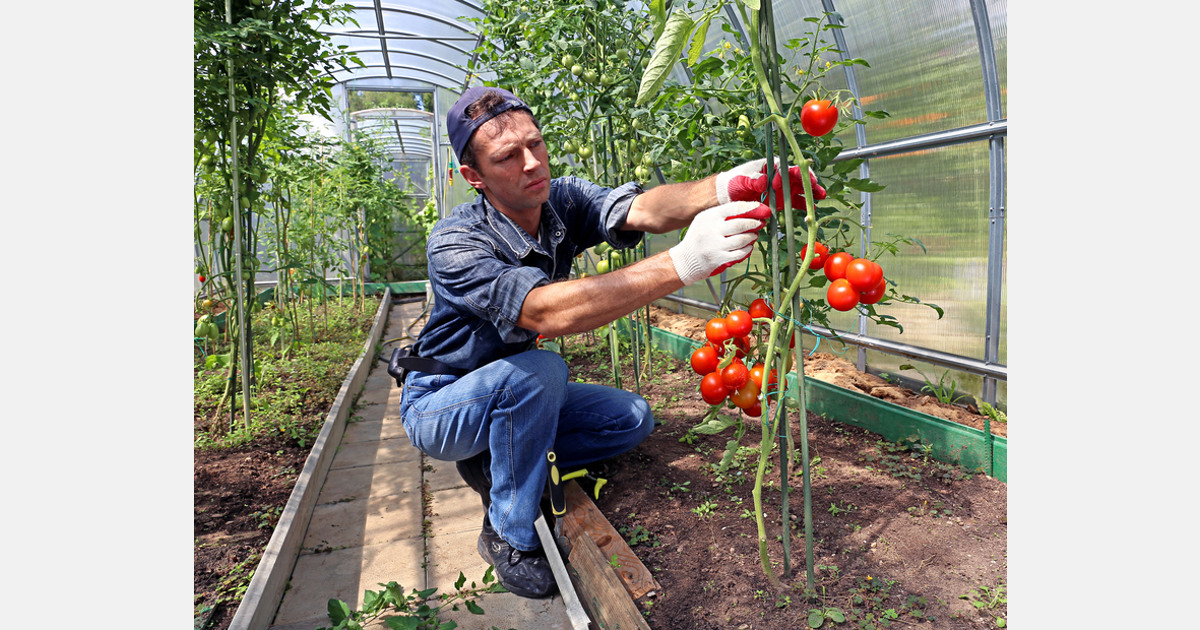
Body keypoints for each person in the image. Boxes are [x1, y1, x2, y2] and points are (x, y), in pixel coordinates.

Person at [395, 86, 824, 598]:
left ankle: (500, 457)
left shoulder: (560, 200)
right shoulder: (455, 242)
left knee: (630, 418)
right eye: (508, 156)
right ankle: (508, 535)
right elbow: (542, 312)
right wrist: (681, 264)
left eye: (536, 144)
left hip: (515, 390)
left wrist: (728, 186)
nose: (533, 164)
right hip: (442, 403)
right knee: (543, 370)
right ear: (475, 177)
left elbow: (641, 209)